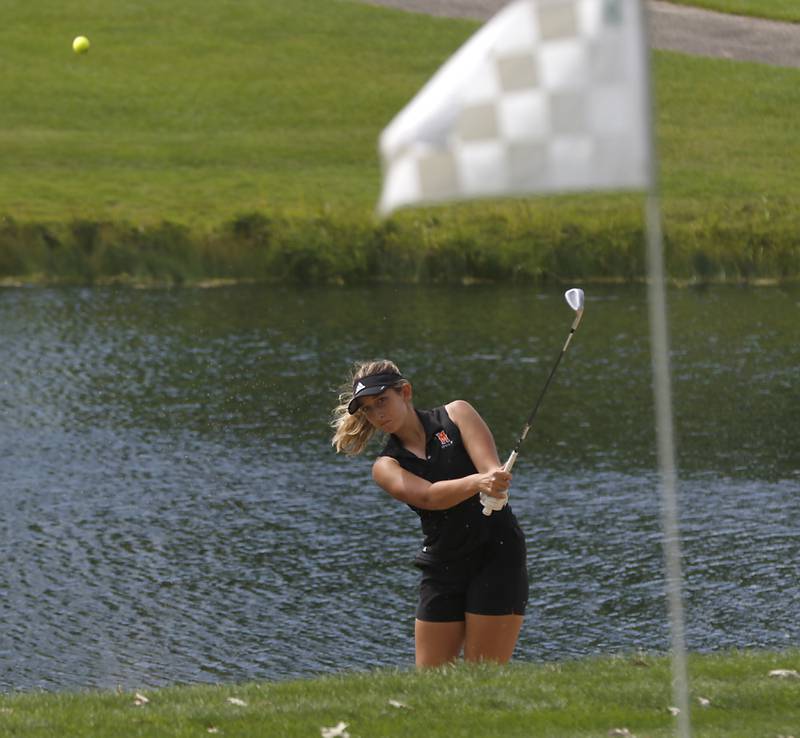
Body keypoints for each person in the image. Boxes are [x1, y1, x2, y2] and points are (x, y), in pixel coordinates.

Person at [331, 359, 528, 667]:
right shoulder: (386, 466)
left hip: (496, 554)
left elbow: (491, 469)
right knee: (432, 685)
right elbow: (429, 497)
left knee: (484, 675)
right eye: (368, 408)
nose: (377, 414)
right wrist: (480, 482)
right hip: (443, 565)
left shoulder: (457, 414)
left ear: (405, 392)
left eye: (382, 400)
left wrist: (494, 481)